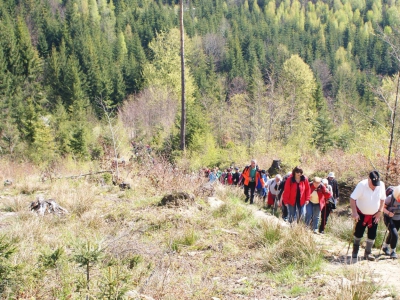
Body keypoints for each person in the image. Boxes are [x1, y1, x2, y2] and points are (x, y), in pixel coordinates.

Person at [350, 171, 386, 261]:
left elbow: (383, 199)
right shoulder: (361, 185)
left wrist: (379, 212)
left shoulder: (381, 185)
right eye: (373, 184)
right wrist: (354, 212)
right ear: (369, 179)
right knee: (358, 233)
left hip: (374, 215)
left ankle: (368, 253)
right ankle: (355, 251)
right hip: (361, 214)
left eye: (376, 184)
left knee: (372, 234)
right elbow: (352, 198)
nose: (374, 186)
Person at [382, 185, 400, 259]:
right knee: (395, 234)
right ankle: (393, 252)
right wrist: (388, 213)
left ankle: (385, 247)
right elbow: (382, 207)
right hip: (389, 218)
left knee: (392, 233)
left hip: (398, 219)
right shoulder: (390, 198)